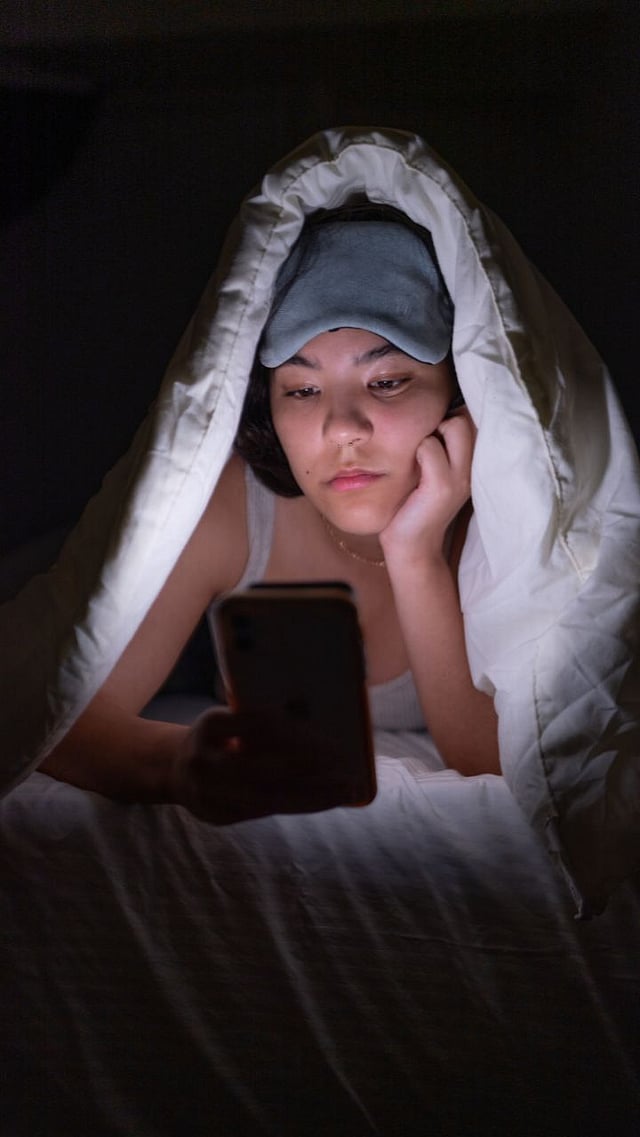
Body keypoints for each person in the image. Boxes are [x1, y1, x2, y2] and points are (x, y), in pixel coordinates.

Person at [40, 204, 500, 818]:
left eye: (387, 381)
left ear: (460, 394)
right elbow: (56, 720)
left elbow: (494, 760)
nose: (341, 428)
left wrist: (415, 553)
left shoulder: (498, 522)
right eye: (303, 390)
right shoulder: (232, 503)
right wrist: (180, 761)